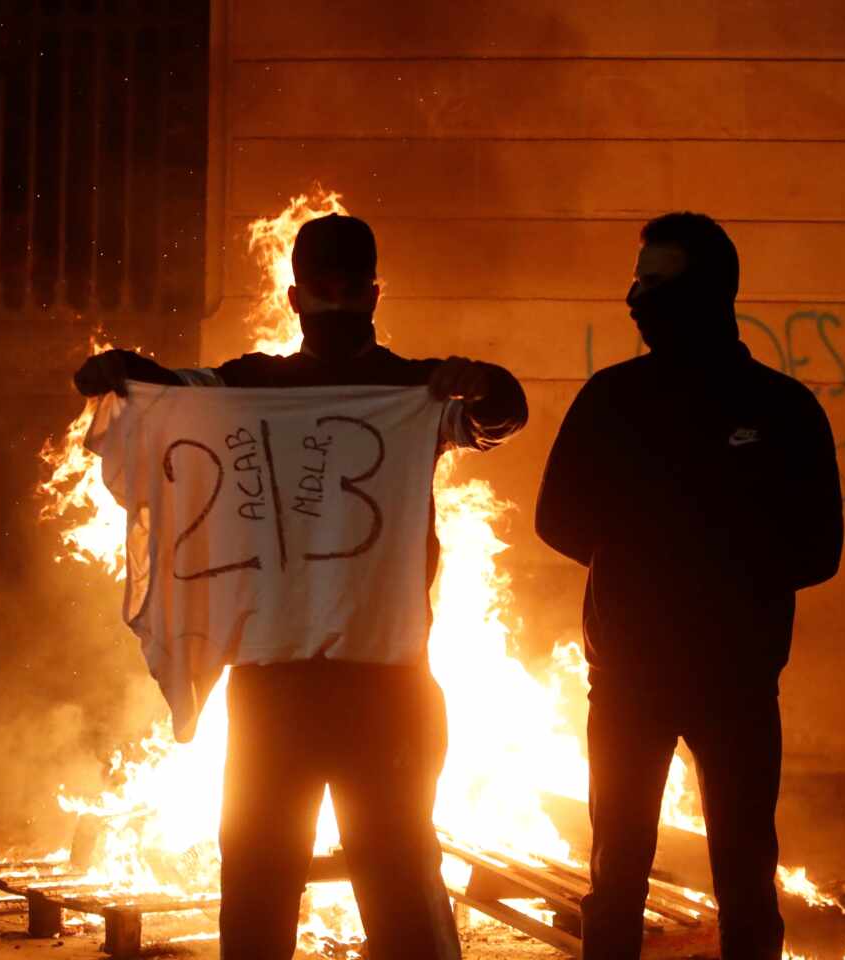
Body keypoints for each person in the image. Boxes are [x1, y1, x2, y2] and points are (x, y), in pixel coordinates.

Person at [74, 213, 528, 960]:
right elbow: (172, 393)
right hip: (273, 681)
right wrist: (116, 370)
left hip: (384, 684)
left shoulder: (414, 391)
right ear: (294, 297)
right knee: (257, 880)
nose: (339, 302)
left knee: (401, 880)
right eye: (325, 288)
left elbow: (500, 416)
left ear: (376, 294)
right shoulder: (250, 387)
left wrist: (481, 382)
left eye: (354, 288)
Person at [534, 212, 843, 960]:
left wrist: (714, 572)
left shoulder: (781, 408)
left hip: (736, 685)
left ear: (707, 292)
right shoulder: (612, 401)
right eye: (636, 281)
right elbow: (557, 517)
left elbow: (819, 545)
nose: (635, 297)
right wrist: (642, 570)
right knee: (616, 882)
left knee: (744, 881)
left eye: (655, 281)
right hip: (628, 684)